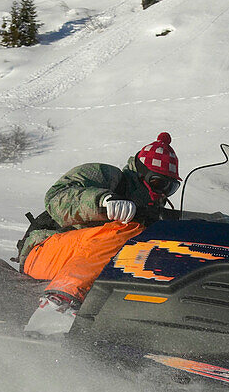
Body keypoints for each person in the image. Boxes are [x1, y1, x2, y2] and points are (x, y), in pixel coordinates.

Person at [17, 132, 182, 336]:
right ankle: (57, 305)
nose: (163, 193)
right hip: (44, 253)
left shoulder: (152, 213)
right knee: (127, 229)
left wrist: (228, 221)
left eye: (171, 187)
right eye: (159, 183)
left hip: (80, 262)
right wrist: (103, 201)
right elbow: (56, 197)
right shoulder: (108, 177)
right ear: (141, 174)